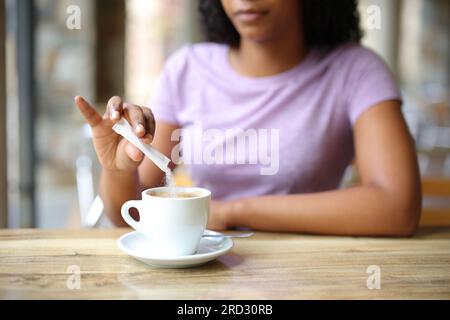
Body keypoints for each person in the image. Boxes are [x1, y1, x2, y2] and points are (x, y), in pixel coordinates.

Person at [75, 0, 421, 236]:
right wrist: (120, 169)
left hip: (313, 271)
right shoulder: (187, 69)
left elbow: (397, 206)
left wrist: (231, 211)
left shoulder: (355, 70)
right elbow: (131, 218)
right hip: (205, 273)